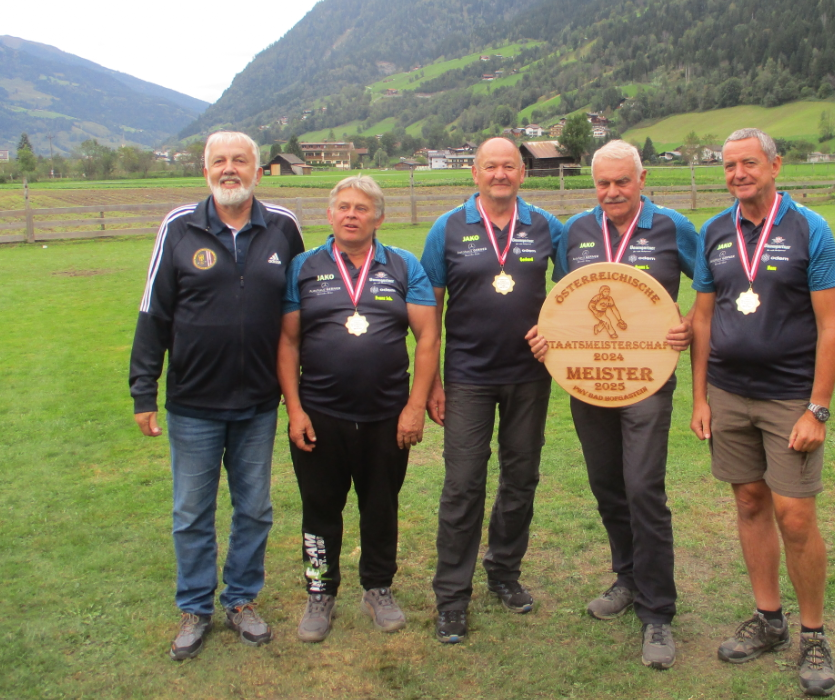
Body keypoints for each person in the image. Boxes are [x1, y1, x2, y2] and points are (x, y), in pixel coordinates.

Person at [129, 131, 305, 660]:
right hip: (193, 403)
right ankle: (195, 608)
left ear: (256, 168)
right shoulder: (179, 227)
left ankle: (243, 601)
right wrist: (144, 390)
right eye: (219, 161)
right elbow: (152, 313)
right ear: (205, 169)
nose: (230, 169)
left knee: (254, 509)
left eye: (240, 160)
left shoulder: (283, 228)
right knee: (191, 512)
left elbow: (299, 315)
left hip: (257, 403)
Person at [526, 139, 696, 669]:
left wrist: (693, 324)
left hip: (647, 380)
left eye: (623, 181)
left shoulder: (672, 228)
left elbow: (712, 285)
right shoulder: (576, 231)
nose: (613, 191)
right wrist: (545, 335)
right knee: (607, 484)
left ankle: (658, 615)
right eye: (603, 182)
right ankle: (626, 576)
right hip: (589, 382)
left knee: (644, 487)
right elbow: (564, 300)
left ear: (642, 179)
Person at [689, 128, 835, 697]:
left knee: (796, 518)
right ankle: (769, 619)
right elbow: (702, 320)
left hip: (788, 398)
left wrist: (817, 409)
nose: (737, 174)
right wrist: (701, 397)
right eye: (728, 165)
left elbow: (831, 325)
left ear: (776, 164)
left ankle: (813, 635)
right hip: (729, 394)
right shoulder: (714, 232)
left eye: (748, 163)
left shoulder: (809, 228)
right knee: (749, 502)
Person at [277, 175, 438, 643]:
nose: (351, 214)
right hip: (320, 415)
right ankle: (319, 592)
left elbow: (428, 337)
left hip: (387, 416)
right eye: (343, 207)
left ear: (379, 217)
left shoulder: (404, 266)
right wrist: (294, 410)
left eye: (362, 208)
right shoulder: (303, 268)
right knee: (319, 509)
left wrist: (414, 407)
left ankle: (378, 588)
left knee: (381, 506)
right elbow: (287, 342)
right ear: (329, 215)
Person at [420, 137, 563, 643]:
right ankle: (452, 598)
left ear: (523, 173)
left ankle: (504, 572)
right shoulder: (447, 228)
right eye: (490, 167)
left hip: (529, 376)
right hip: (467, 378)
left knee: (521, 478)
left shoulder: (547, 227)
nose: (500, 174)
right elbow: (428, 314)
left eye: (509, 166)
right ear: (475, 173)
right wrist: (433, 380)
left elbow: (578, 292)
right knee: (463, 484)